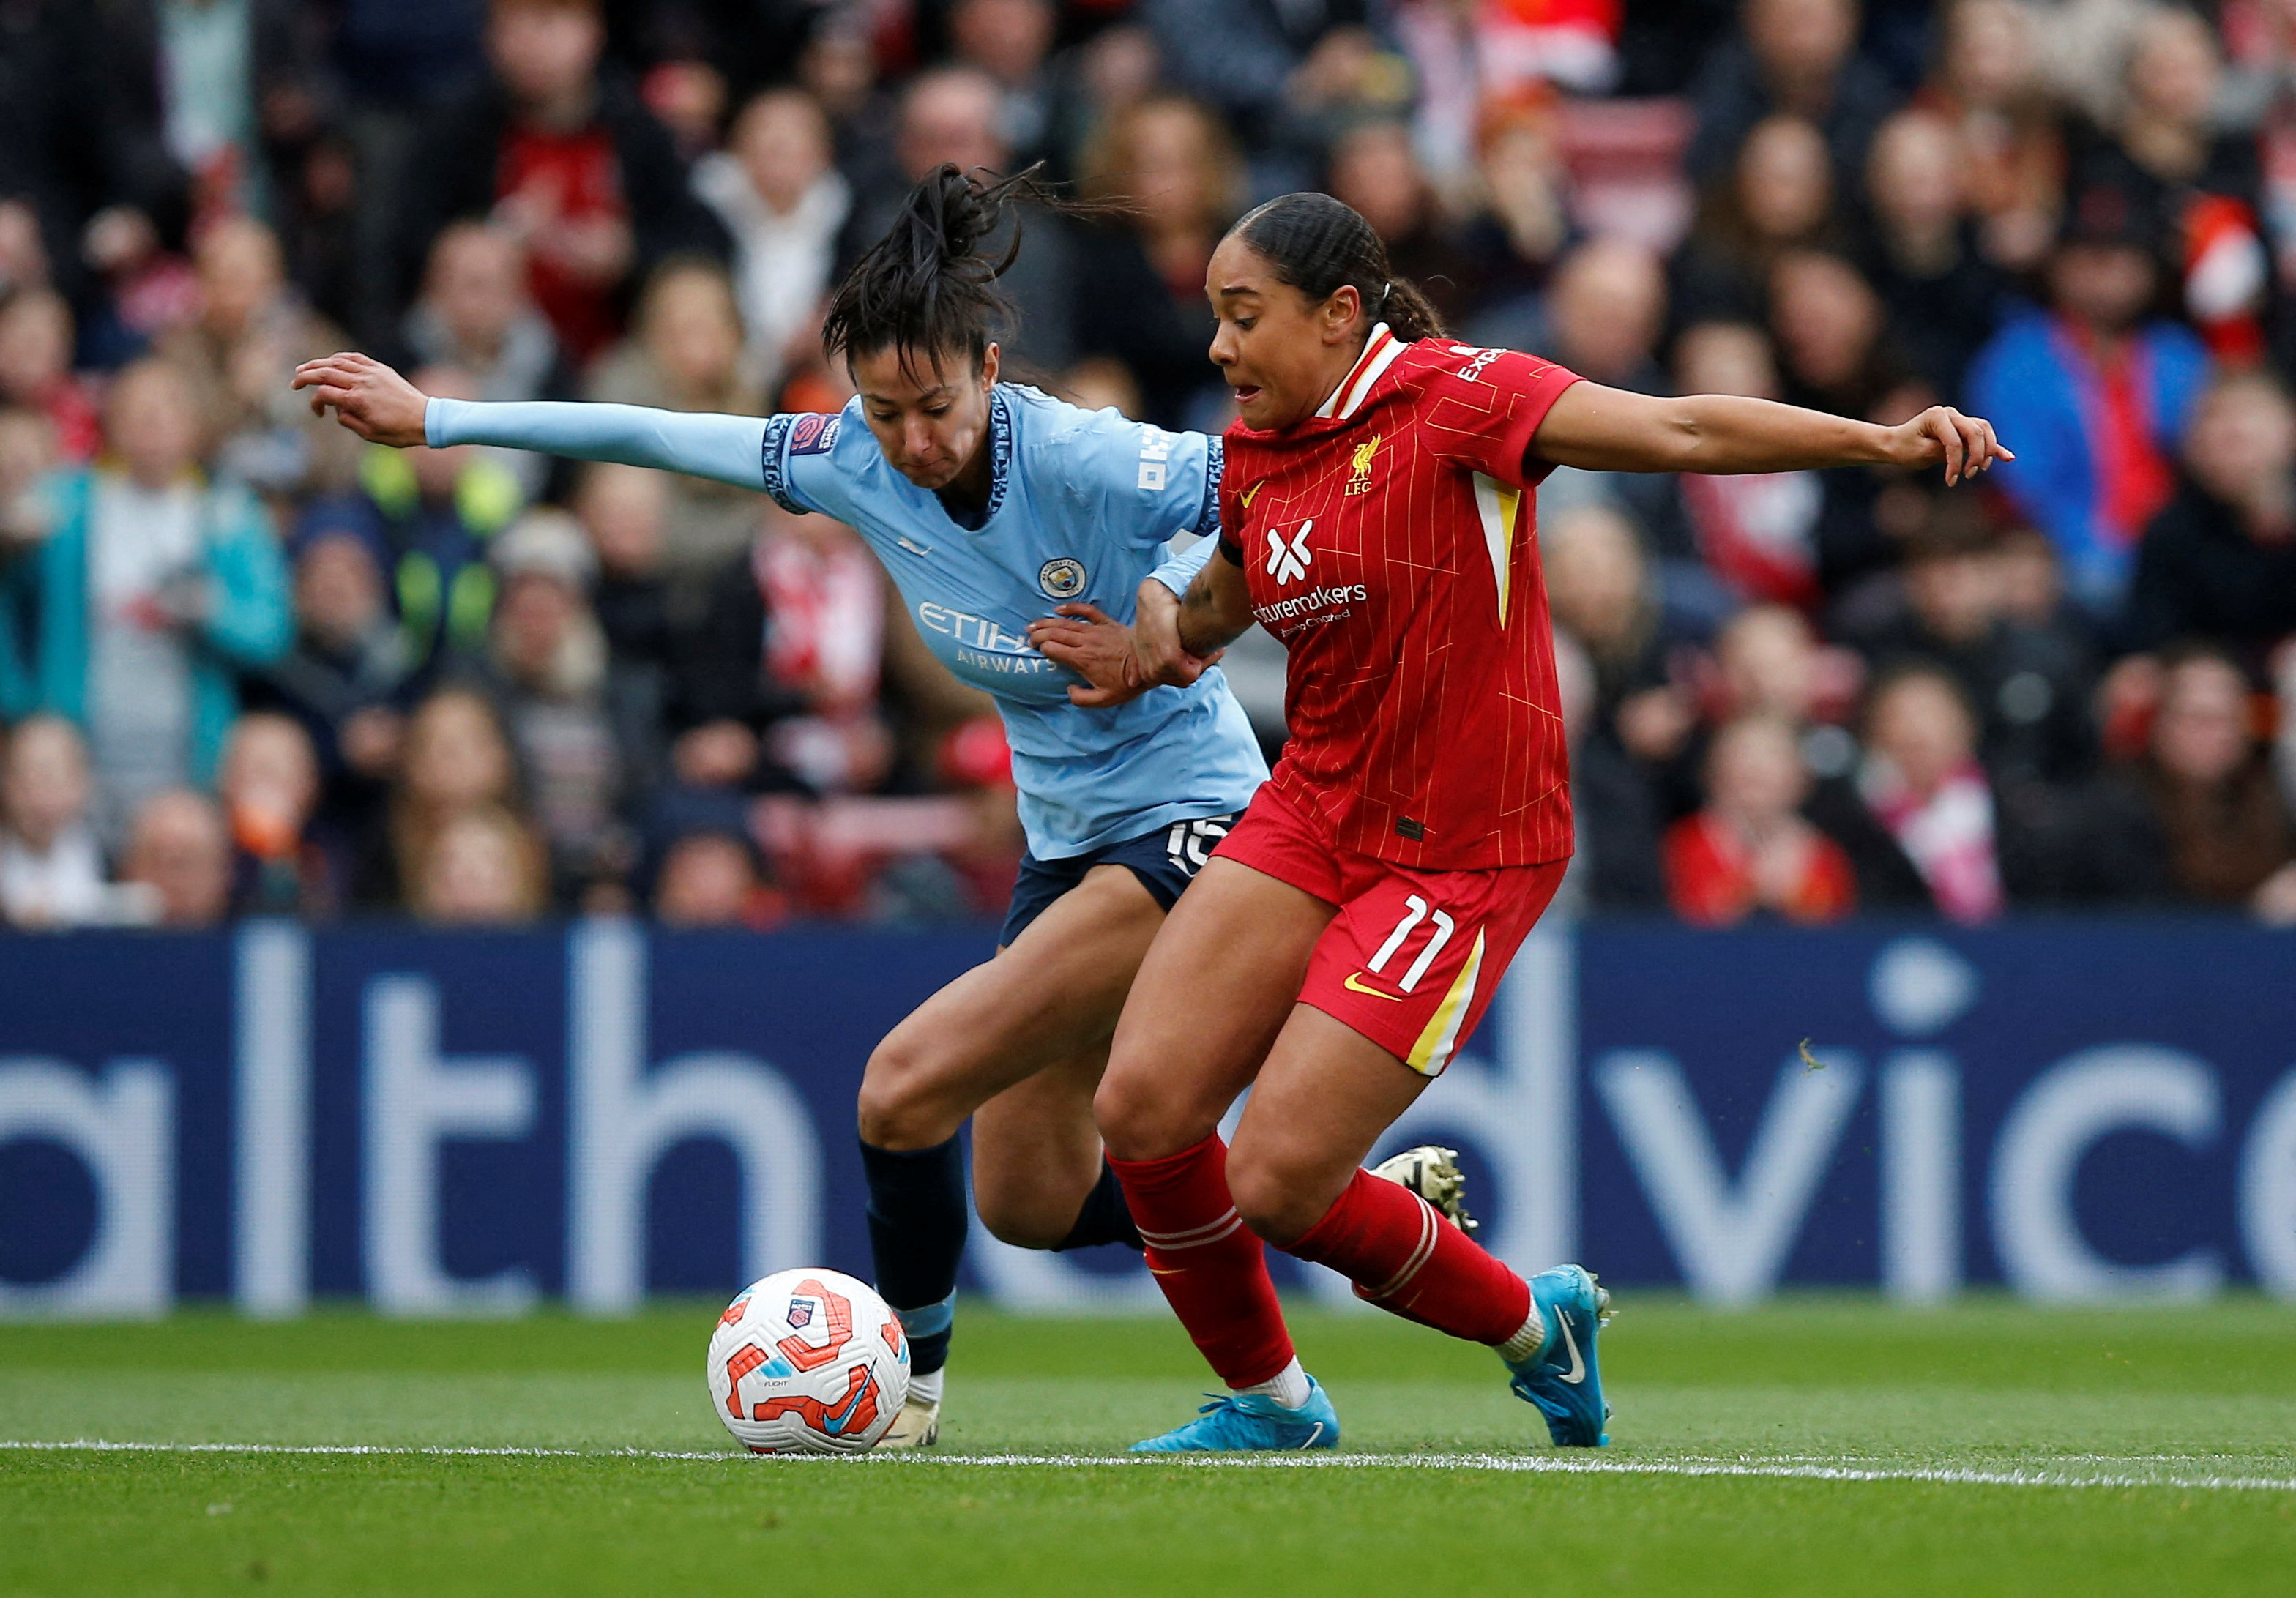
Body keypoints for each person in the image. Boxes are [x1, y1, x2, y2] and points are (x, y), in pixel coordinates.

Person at [295, 166, 1468, 1453]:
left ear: (988, 362)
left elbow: (1263, 490)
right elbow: (653, 432)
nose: (912, 440)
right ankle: (1336, 1208)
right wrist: (442, 420)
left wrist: (1172, 615)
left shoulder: (1080, 454)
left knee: (902, 1090)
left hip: (1197, 827)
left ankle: (905, 1393)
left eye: (936, 407)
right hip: (1068, 847)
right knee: (1031, 1199)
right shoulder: (851, 462)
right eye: (883, 409)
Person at [1037, 190, 2006, 1452]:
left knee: (1277, 1180)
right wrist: (1147, 647)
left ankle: (1537, 1328)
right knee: (1146, 1110)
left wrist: (1879, 446)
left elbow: (1684, 425)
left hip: (1464, 849)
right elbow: (1223, 599)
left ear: (1339, 317)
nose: (1219, 348)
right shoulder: (1260, 454)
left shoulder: (1468, 397)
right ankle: (1275, 1407)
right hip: (1313, 811)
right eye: (1214, 320)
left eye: (1243, 317)